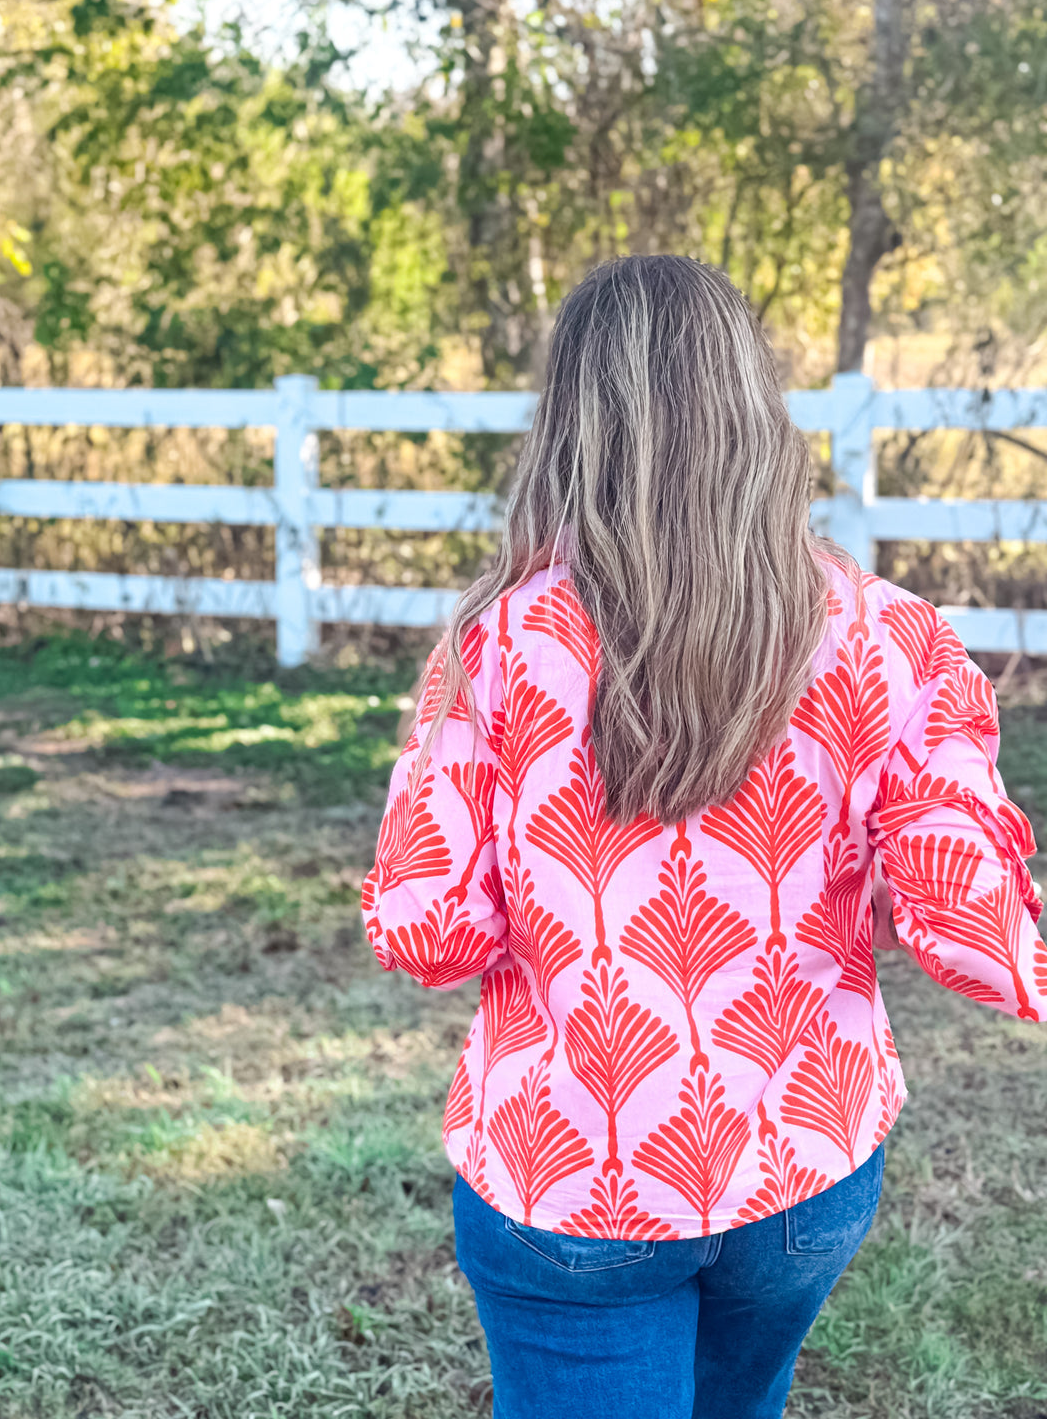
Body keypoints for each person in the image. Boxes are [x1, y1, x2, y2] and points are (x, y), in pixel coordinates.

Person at [360, 254, 1047, 1419]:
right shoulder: (890, 637)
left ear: (572, 426)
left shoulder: (496, 646)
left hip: (571, 1169)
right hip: (803, 1165)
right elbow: (975, 932)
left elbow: (430, 931)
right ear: (754, 413)